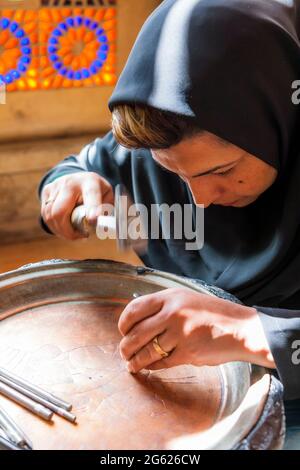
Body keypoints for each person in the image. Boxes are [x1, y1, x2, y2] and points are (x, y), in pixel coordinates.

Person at [39, 0, 300, 448]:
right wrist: (67, 184)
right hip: (179, 381)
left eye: (221, 171)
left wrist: (252, 332)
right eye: (177, 175)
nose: (199, 199)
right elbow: (77, 168)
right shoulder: (165, 135)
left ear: (275, 117)